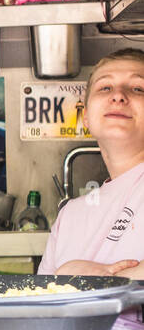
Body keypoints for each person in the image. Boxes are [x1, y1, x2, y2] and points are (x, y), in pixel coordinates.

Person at [39, 48, 144, 278]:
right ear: (86, 117)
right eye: (105, 87)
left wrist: (90, 281)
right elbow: (42, 304)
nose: (118, 96)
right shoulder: (69, 217)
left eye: (138, 88)